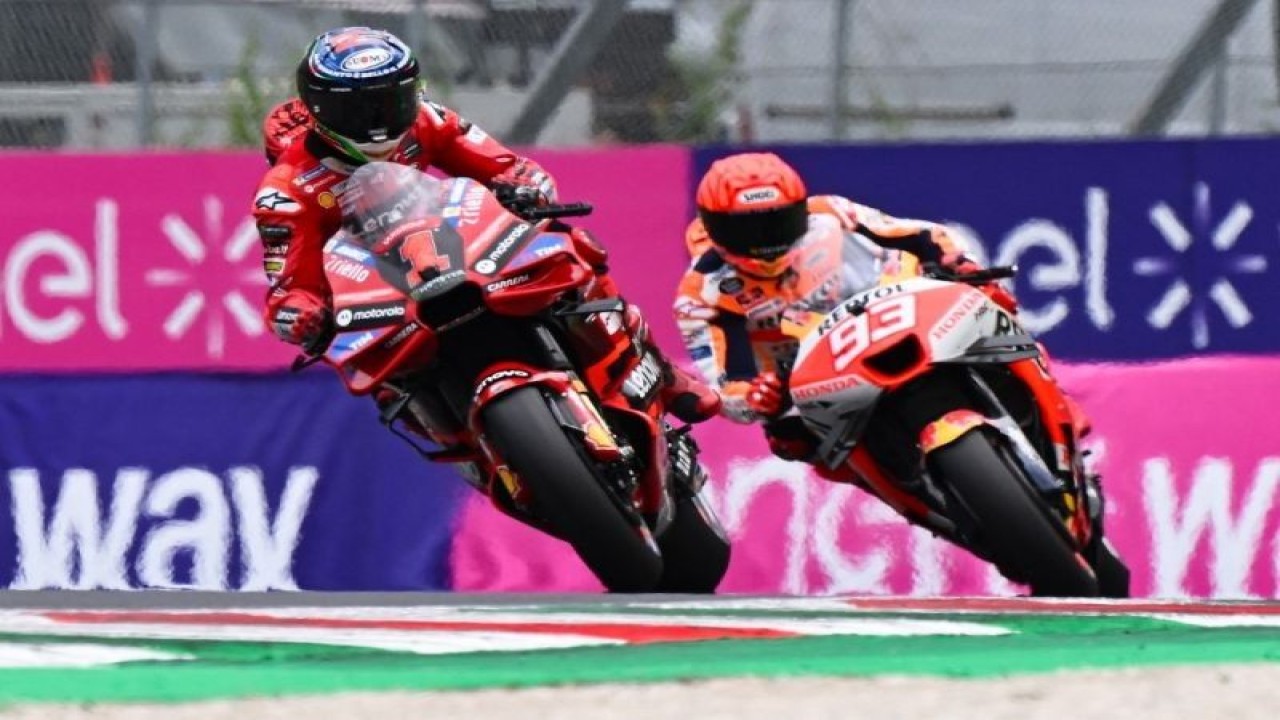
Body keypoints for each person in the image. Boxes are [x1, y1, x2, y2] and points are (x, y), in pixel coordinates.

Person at [253, 26, 718, 423]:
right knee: (381, 381)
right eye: (355, 111)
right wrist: (302, 314)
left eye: (391, 101)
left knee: (568, 244)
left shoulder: (429, 120)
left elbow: (506, 167)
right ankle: (462, 439)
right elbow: (290, 289)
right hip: (378, 291)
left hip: (448, 251)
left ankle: (655, 368)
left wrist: (523, 188)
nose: (377, 122)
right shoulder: (286, 191)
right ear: (317, 111)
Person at [672, 152, 1083, 473]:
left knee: (987, 301)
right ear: (714, 228)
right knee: (789, 439)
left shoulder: (831, 212)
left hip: (894, 314)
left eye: (778, 222)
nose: (765, 241)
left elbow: (920, 234)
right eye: (745, 230)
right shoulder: (701, 293)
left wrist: (956, 262)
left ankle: (1054, 401)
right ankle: (910, 490)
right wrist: (757, 397)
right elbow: (727, 386)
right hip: (813, 382)